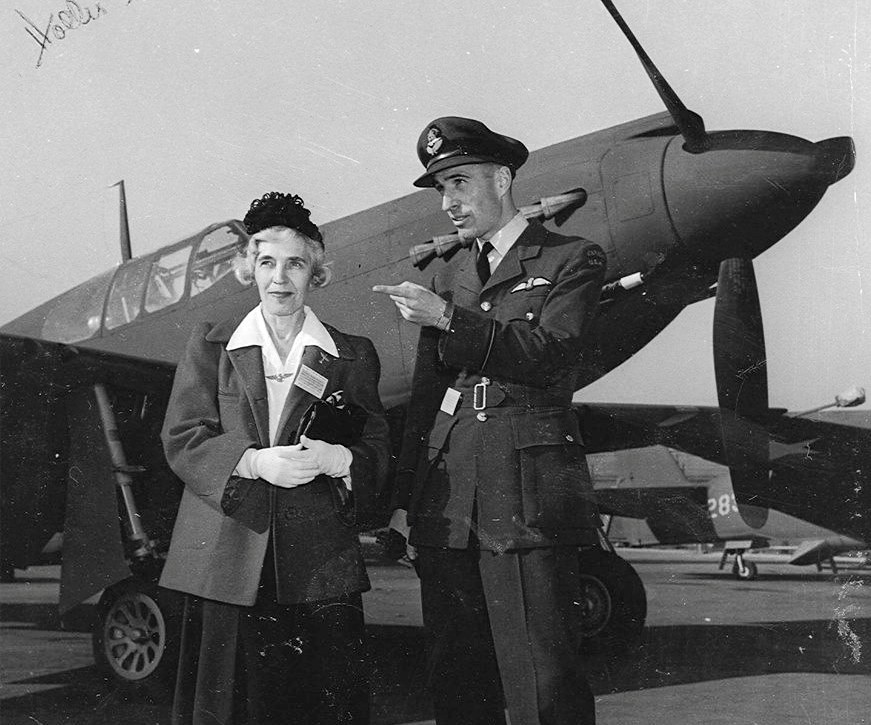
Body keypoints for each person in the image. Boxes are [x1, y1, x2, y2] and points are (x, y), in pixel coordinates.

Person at [374, 117, 606, 725]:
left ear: (501, 180)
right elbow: (428, 399)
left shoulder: (571, 258)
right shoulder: (449, 275)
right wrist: (405, 500)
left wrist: (449, 320)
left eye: (460, 183)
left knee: (542, 683)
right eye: (441, 189)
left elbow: (552, 355)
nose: (448, 203)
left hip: (524, 497)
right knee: (458, 683)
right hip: (448, 502)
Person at [160, 191, 390, 725]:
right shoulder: (210, 344)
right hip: (227, 558)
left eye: (295, 264)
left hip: (319, 565)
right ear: (249, 269)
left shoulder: (352, 354)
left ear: (316, 272)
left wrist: (340, 458)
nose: (280, 278)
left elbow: (377, 447)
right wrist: (253, 462)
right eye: (266, 262)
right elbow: (182, 436)